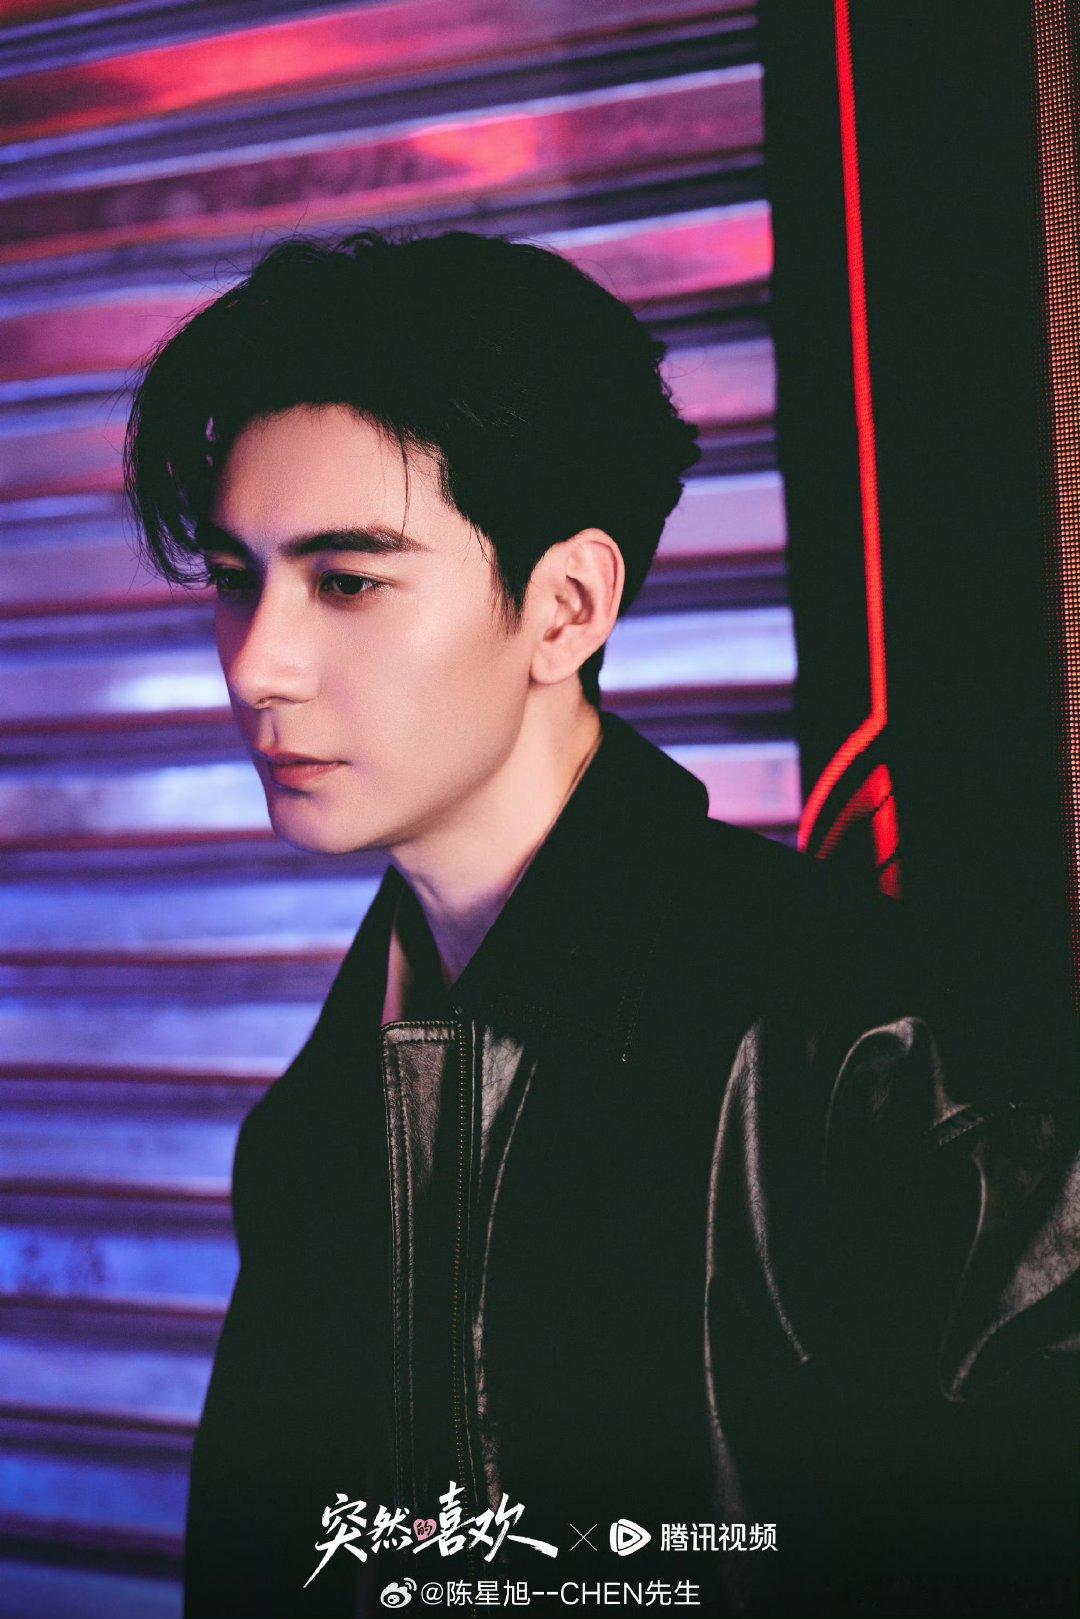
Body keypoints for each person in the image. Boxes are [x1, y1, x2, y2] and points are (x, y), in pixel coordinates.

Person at [123, 227, 1078, 1619]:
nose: (258, 664)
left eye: (347, 581)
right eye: (232, 578)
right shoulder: (317, 1126)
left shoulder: (875, 1057)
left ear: (567, 606)